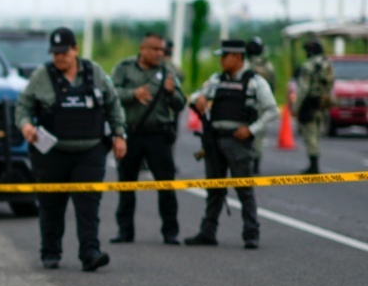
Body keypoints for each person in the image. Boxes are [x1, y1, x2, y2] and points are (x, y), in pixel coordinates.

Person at [15, 27, 127, 272]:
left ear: (75, 49)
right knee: (51, 205)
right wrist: (25, 126)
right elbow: (23, 106)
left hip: (89, 151)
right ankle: (50, 252)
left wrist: (119, 135)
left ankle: (90, 253)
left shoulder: (94, 72)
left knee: (88, 205)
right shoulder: (42, 76)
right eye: (55, 53)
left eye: (64, 52)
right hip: (52, 153)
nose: (59, 57)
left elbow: (113, 105)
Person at [185, 39, 278, 249]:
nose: (221, 60)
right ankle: (207, 232)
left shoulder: (255, 81)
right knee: (214, 189)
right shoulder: (217, 79)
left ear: (237, 57)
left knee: (244, 189)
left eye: (224, 56)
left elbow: (272, 110)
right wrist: (198, 99)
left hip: (238, 142)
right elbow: (196, 95)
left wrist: (252, 129)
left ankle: (251, 234)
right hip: (214, 140)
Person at [110, 33, 186, 246]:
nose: (159, 54)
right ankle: (124, 231)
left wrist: (171, 93)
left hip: (158, 136)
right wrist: (132, 94)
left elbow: (181, 103)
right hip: (131, 134)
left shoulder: (167, 71)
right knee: (126, 183)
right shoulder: (124, 68)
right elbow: (111, 94)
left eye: (162, 50)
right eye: (155, 49)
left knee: (166, 184)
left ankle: (170, 232)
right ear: (142, 49)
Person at [292, 39, 334, 175]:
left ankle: (313, 165)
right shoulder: (327, 64)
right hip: (322, 103)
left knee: (309, 135)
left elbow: (303, 88)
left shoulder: (308, 66)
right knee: (317, 132)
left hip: (309, 103)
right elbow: (331, 82)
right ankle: (314, 163)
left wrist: (296, 107)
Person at [245, 37, 277, 174]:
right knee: (259, 134)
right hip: (262, 105)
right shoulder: (268, 66)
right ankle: (256, 164)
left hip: (246, 104)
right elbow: (273, 85)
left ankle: (246, 162)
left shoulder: (245, 65)